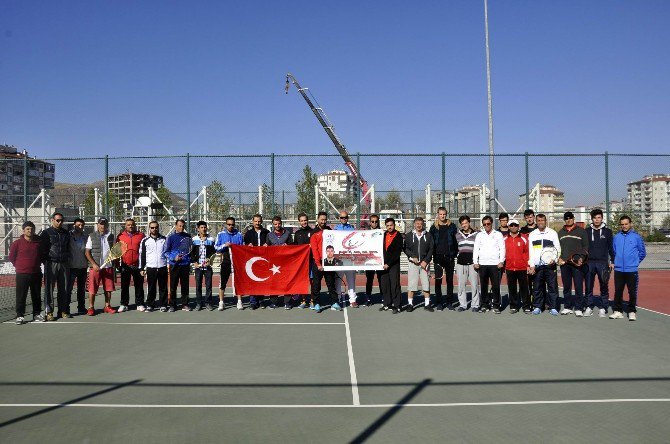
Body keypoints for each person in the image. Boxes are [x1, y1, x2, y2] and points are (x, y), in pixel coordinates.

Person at [610, 215, 646, 321]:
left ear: (630, 224)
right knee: (618, 291)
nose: (624, 226)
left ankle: (631, 311)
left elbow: (642, 252)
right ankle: (618, 311)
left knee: (632, 291)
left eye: (626, 224)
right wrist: (614, 262)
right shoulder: (616, 237)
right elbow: (613, 252)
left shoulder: (637, 237)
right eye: (622, 224)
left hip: (632, 270)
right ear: (620, 225)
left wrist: (635, 262)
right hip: (619, 270)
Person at [10, 221, 46, 324]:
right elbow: (12, 257)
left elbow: (42, 256)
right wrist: (20, 266)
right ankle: (20, 315)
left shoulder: (38, 243)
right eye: (28, 229)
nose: (30, 231)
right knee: (21, 296)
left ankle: (37, 314)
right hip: (22, 274)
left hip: (36, 273)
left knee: (36, 295)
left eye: (32, 229)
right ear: (23, 230)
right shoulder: (17, 243)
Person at [528, 214, 561, 316]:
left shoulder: (552, 233)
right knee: (537, 287)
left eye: (542, 220)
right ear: (536, 222)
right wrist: (532, 264)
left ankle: (553, 307)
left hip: (550, 266)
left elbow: (558, 248)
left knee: (552, 287)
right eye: (539, 220)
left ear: (545, 221)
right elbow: (531, 251)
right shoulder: (533, 234)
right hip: (538, 266)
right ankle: (538, 306)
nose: (541, 222)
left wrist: (554, 259)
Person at [39, 212, 70, 320]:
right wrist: (46, 262)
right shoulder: (46, 233)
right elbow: (42, 249)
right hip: (51, 263)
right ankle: (49, 312)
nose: (60, 222)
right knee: (49, 289)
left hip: (64, 264)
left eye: (61, 220)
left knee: (64, 289)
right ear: (52, 220)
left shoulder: (66, 233)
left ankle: (62, 311)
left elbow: (68, 248)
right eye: (57, 220)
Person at [558, 211, 589, 317]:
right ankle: (567, 307)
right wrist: (559, 258)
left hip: (577, 264)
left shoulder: (581, 231)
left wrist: (581, 258)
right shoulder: (560, 233)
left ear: (573, 218)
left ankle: (579, 308)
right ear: (564, 220)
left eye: (570, 218)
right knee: (566, 287)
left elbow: (586, 247)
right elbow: (557, 249)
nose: (568, 220)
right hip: (565, 264)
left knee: (578, 286)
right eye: (566, 218)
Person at [585, 208, 614, 317]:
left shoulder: (607, 232)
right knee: (588, 286)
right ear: (591, 219)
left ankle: (604, 307)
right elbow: (583, 248)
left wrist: (612, 261)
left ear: (602, 218)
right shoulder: (587, 231)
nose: (597, 220)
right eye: (594, 218)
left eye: (599, 218)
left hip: (603, 263)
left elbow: (611, 248)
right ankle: (589, 306)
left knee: (604, 286)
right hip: (589, 263)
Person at [473, 215, 505, 313]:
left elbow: (502, 248)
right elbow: (476, 249)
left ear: (491, 224)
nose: (486, 225)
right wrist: (475, 262)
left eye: (488, 224)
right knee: (484, 286)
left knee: (495, 286)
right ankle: (484, 305)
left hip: (495, 264)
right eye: (484, 224)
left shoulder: (498, 234)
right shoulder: (479, 235)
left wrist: (501, 261)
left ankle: (496, 306)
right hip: (482, 264)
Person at [84, 218, 117, 315]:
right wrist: (94, 264)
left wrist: (113, 259)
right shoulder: (91, 236)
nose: (102, 226)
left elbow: (114, 251)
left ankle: (107, 306)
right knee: (92, 288)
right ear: (97, 225)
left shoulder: (111, 236)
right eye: (101, 224)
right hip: (95, 267)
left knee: (108, 288)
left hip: (108, 266)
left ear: (107, 225)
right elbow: (87, 252)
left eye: (104, 224)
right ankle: (91, 307)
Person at [429, 207, 458, 311]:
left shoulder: (452, 226)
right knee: (438, 281)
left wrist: (454, 254)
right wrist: (432, 256)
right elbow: (431, 243)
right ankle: (439, 302)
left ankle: (449, 302)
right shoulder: (433, 228)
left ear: (446, 214)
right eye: (440, 214)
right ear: (438, 214)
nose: (442, 216)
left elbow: (455, 241)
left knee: (450, 281)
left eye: (444, 214)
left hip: (449, 257)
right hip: (438, 258)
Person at [214, 217, 244, 310]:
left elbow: (243, 247)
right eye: (229, 224)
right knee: (223, 282)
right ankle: (221, 302)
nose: (231, 226)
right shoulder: (221, 234)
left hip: (236, 261)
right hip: (225, 260)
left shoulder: (239, 235)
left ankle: (239, 301)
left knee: (238, 281)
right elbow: (216, 247)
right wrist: (224, 245)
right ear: (226, 224)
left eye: (232, 224)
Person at [309, 212, 337, 312]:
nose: (323, 221)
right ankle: (316, 303)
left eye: (325, 219)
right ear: (318, 220)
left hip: (329, 261)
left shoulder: (329, 230)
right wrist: (318, 264)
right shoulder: (314, 233)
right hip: (318, 263)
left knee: (331, 283)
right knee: (316, 284)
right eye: (321, 219)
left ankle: (334, 302)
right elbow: (315, 250)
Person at [404, 217, 434, 312]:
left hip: (425, 264)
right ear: (414, 224)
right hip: (413, 264)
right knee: (412, 285)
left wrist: (426, 261)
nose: (419, 225)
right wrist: (413, 257)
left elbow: (431, 249)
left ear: (423, 224)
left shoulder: (428, 235)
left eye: (420, 223)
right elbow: (406, 249)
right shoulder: (409, 236)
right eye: (417, 223)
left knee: (426, 284)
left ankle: (427, 304)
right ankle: (410, 304)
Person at [117, 218, 145, 312]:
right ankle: (124, 304)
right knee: (124, 286)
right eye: (128, 225)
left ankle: (140, 303)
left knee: (139, 286)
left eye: (132, 224)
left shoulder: (141, 235)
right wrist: (117, 264)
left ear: (135, 225)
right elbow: (117, 251)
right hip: (125, 265)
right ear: (125, 226)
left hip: (138, 265)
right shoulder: (120, 236)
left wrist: (144, 265)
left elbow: (145, 251)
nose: (130, 226)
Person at [139, 221, 168, 312]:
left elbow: (167, 253)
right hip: (151, 267)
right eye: (152, 227)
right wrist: (142, 268)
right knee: (151, 287)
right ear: (149, 229)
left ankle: (163, 305)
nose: (154, 229)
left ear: (158, 228)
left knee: (163, 287)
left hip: (162, 266)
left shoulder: (164, 239)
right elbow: (142, 255)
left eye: (156, 227)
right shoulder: (145, 241)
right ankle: (150, 305)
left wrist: (168, 265)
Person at [165, 219, 192, 311]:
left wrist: (189, 260)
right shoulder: (170, 237)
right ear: (175, 226)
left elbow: (190, 250)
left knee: (185, 286)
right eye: (180, 225)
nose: (181, 227)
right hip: (174, 265)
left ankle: (185, 304)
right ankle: (172, 305)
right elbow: (166, 252)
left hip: (185, 265)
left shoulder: (188, 237)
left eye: (183, 226)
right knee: (173, 286)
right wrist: (174, 257)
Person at [266, 215, 294, 309]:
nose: (277, 225)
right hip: (274, 263)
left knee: (287, 281)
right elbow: (266, 248)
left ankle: (287, 302)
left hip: (285, 262)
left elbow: (293, 246)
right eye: (275, 224)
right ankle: (274, 302)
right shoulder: (269, 235)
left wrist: (288, 245)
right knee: (273, 282)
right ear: (273, 225)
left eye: (279, 223)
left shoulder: (287, 233)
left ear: (281, 223)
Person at [244, 214, 270, 310]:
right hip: (252, 261)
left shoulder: (267, 232)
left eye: (259, 221)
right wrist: (248, 245)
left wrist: (267, 245)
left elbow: (270, 244)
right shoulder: (248, 233)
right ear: (252, 221)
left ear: (261, 221)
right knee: (252, 281)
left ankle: (261, 300)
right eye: (255, 221)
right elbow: (244, 247)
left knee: (261, 281)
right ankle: (253, 301)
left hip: (263, 261)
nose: (257, 223)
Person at [504, 219, 530, 313]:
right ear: (509, 227)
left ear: (518, 227)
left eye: (515, 225)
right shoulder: (504, 239)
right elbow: (502, 253)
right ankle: (513, 306)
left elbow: (527, 253)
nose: (513, 227)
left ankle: (526, 306)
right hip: (510, 267)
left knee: (524, 288)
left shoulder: (524, 238)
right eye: (511, 225)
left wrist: (528, 265)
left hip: (522, 267)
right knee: (512, 288)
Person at [334, 211, 359, 307]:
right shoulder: (335, 229)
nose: (344, 219)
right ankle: (338, 298)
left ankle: (352, 300)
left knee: (351, 280)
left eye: (345, 217)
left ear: (348, 218)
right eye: (342, 217)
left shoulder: (352, 229)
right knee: (338, 280)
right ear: (339, 218)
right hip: (339, 259)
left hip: (349, 259)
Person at [455, 215, 480, 312]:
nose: (464, 225)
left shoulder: (477, 234)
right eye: (462, 224)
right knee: (461, 285)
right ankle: (463, 304)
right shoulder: (457, 235)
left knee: (474, 285)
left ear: (469, 223)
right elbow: (455, 248)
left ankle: (475, 304)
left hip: (472, 264)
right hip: (461, 263)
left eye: (466, 223)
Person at [379, 218, 403, 314]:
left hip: (393, 265)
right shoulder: (383, 235)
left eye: (391, 225)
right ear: (386, 226)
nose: (389, 227)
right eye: (388, 225)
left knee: (395, 285)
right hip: (383, 265)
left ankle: (397, 305)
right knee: (385, 285)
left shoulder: (398, 236)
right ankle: (387, 303)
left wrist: (388, 264)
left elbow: (397, 253)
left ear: (394, 225)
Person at [191, 221, 216, 311]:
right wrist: (194, 262)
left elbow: (214, 252)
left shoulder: (211, 239)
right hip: (198, 267)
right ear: (198, 229)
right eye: (201, 227)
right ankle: (199, 303)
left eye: (205, 227)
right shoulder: (194, 240)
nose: (203, 229)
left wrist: (209, 259)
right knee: (198, 286)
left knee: (208, 285)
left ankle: (208, 303)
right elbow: (192, 253)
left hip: (208, 267)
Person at [67, 218, 88, 315]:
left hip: (83, 267)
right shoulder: (68, 236)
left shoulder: (86, 237)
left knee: (81, 289)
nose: (80, 227)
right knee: (68, 289)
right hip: (71, 267)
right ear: (74, 225)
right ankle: (66, 309)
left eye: (82, 225)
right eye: (78, 225)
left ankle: (81, 308)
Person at [292, 213, 312, 309]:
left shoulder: (312, 232)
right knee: (302, 281)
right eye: (302, 221)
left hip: (311, 261)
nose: (304, 222)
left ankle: (313, 300)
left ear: (307, 220)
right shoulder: (297, 233)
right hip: (301, 262)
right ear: (299, 222)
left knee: (312, 281)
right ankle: (303, 300)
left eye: (305, 220)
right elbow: (294, 246)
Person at [364, 214, 383, 306]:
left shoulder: (382, 232)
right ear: (370, 222)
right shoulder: (366, 233)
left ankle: (383, 297)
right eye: (372, 221)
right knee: (369, 279)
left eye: (376, 221)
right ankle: (368, 298)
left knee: (381, 279)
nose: (374, 223)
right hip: (369, 260)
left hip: (379, 259)